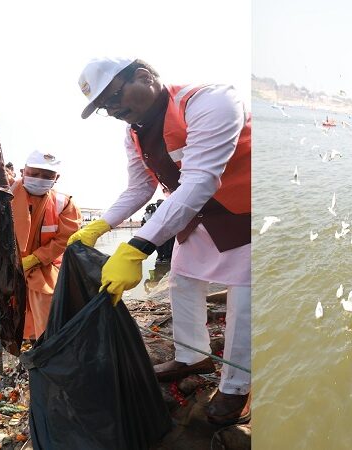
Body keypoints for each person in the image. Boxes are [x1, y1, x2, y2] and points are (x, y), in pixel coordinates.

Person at [68, 57, 251, 425]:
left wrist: (137, 247)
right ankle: (192, 355)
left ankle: (236, 387)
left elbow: (200, 179)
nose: (114, 108)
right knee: (182, 283)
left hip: (245, 212)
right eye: (105, 106)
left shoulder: (209, 103)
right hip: (197, 219)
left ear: (144, 76)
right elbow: (141, 187)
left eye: (114, 96)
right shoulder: (133, 131)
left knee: (243, 304)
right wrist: (99, 226)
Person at [11, 150, 82, 340]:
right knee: (12, 312)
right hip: (9, 266)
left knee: (48, 311)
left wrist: (35, 259)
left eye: (47, 176)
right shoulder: (4, 193)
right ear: (22, 171)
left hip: (45, 266)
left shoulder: (64, 203)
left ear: (56, 178)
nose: (39, 179)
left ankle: (44, 347)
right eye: (34, 174)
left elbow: (65, 238)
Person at [154, 199, 175, 265]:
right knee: (168, 245)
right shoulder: (169, 212)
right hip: (168, 232)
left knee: (159, 245)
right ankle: (166, 257)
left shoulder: (154, 213)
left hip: (159, 233)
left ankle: (160, 257)